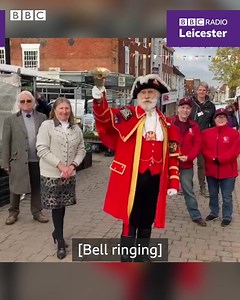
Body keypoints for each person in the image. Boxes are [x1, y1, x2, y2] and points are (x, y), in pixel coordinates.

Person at [92, 73, 181, 262]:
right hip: (132, 179)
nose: (147, 96)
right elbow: (105, 120)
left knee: (148, 217)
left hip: (156, 179)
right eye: (144, 93)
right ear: (138, 97)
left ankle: (141, 256)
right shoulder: (128, 114)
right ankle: (126, 258)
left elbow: (173, 154)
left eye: (151, 92)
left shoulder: (166, 123)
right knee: (130, 218)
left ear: (157, 96)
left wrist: (173, 182)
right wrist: (100, 99)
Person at [36, 97, 86, 259]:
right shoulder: (47, 126)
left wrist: (72, 166)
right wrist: (60, 166)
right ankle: (60, 240)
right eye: (61, 109)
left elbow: (82, 149)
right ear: (55, 110)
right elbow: (42, 149)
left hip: (68, 174)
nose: (64, 112)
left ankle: (56, 232)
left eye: (67, 109)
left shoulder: (75, 128)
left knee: (63, 205)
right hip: (51, 174)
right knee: (56, 207)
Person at [1, 90, 49, 225]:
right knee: (15, 187)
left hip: (37, 159)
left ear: (33, 102)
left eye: (29, 101)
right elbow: (6, 142)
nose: (26, 103)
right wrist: (5, 162)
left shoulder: (42, 118)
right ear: (19, 103)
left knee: (37, 187)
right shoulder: (10, 120)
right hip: (18, 159)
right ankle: (13, 212)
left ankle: (37, 212)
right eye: (22, 101)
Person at [201, 108, 240, 227]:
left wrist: (221, 159)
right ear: (215, 119)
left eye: (223, 117)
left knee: (227, 196)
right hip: (212, 170)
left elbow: (235, 151)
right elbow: (203, 148)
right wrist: (213, 158)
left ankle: (227, 216)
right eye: (219, 117)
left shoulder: (234, 134)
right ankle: (214, 212)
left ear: (227, 119)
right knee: (213, 194)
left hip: (228, 172)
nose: (221, 119)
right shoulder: (206, 133)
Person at [172, 98, 206, 227]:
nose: (185, 110)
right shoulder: (170, 123)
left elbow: (197, 144)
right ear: (178, 108)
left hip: (186, 164)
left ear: (190, 110)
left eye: (188, 108)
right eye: (183, 107)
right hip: (170, 163)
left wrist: (189, 157)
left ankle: (195, 215)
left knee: (188, 190)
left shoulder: (194, 126)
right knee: (160, 189)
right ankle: (153, 213)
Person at [190, 82, 216, 197]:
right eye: (200, 90)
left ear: (207, 92)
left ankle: (202, 187)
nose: (201, 92)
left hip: (203, 139)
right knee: (187, 163)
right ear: (197, 91)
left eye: (203, 90)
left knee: (202, 164)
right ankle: (187, 186)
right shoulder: (191, 103)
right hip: (190, 138)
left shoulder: (211, 106)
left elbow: (213, 123)